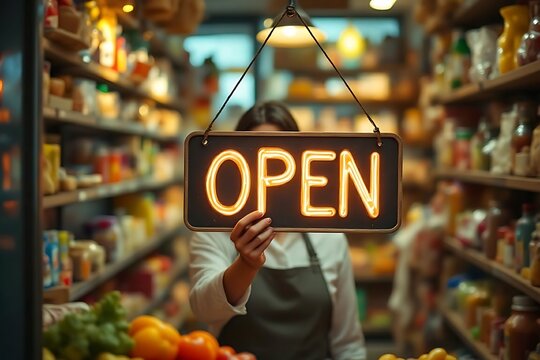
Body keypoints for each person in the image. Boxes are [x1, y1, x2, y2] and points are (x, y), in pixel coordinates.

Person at [189, 101, 366, 360]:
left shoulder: (328, 235)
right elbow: (205, 311)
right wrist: (245, 265)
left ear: (300, 160)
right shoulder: (213, 230)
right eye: (256, 155)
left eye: (278, 156)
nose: (268, 169)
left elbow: (347, 343)